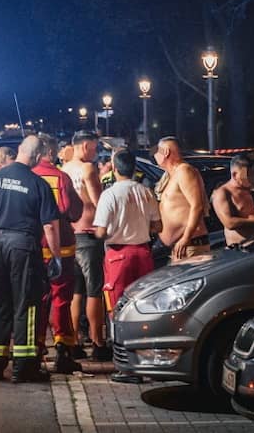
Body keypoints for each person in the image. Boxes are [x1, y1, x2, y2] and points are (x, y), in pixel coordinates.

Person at [0, 135, 61, 383]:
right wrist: (56, 256)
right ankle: (24, 368)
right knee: (26, 305)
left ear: (19, 151)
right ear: (37, 157)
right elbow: (50, 226)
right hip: (22, 246)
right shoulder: (38, 184)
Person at [93, 148, 160, 384]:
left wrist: (105, 231)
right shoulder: (146, 192)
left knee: (117, 311)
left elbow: (100, 231)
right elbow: (157, 226)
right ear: (134, 168)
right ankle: (146, 362)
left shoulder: (109, 195)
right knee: (143, 308)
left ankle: (125, 367)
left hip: (118, 256)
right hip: (143, 253)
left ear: (113, 167)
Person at [32, 133, 84, 374]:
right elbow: (73, 212)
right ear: (51, 153)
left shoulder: (28, 176)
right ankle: (63, 349)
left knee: (37, 300)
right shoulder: (60, 177)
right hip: (61, 247)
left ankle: (36, 346)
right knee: (61, 299)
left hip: (34, 247)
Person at [61, 130, 111, 361]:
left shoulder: (65, 170)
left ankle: (74, 341)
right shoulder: (87, 169)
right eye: (93, 148)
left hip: (72, 236)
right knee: (94, 291)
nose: (95, 152)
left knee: (76, 292)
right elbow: (99, 202)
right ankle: (98, 342)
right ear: (83, 147)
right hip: (89, 236)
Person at [152, 136, 210, 265]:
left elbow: (197, 206)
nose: (155, 155)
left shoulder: (184, 171)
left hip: (190, 246)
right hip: (179, 248)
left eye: (157, 151)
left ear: (166, 152)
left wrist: (185, 238)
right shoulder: (169, 176)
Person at [211, 153, 254, 248]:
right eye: (247, 175)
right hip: (242, 247)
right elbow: (229, 223)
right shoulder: (223, 193)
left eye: (252, 174)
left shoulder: (253, 188)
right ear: (234, 175)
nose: (250, 178)